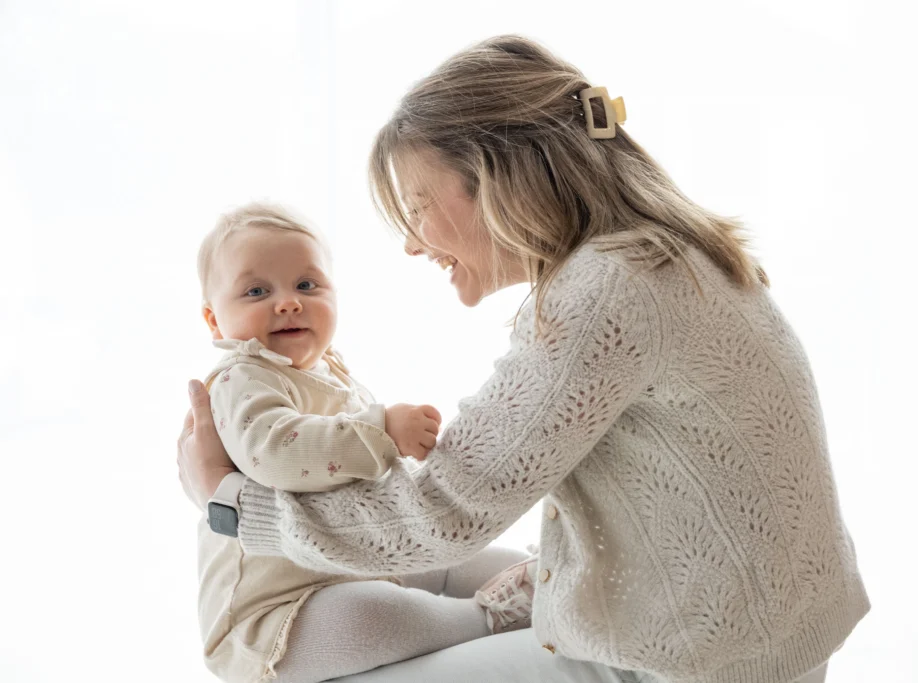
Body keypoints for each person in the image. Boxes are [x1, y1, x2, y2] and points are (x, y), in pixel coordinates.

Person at [178, 35, 869, 683]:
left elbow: (442, 513)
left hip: (693, 662)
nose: (414, 246)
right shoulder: (661, 252)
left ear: (490, 178)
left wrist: (229, 502)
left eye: (418, 206)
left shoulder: (606, 291)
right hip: (759, 640)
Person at [192, 202, 538, 683]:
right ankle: (486, 618)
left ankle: (545, 578)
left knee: (455, 556)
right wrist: (382, 429)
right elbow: (277, 452)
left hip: (355, 558)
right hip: (280, 613)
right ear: (214, 321)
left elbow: (362, 474)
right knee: (371, 615)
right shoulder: (240, 378)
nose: (288, 301)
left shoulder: (330, 374)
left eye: (307, 285)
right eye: (256, 291)